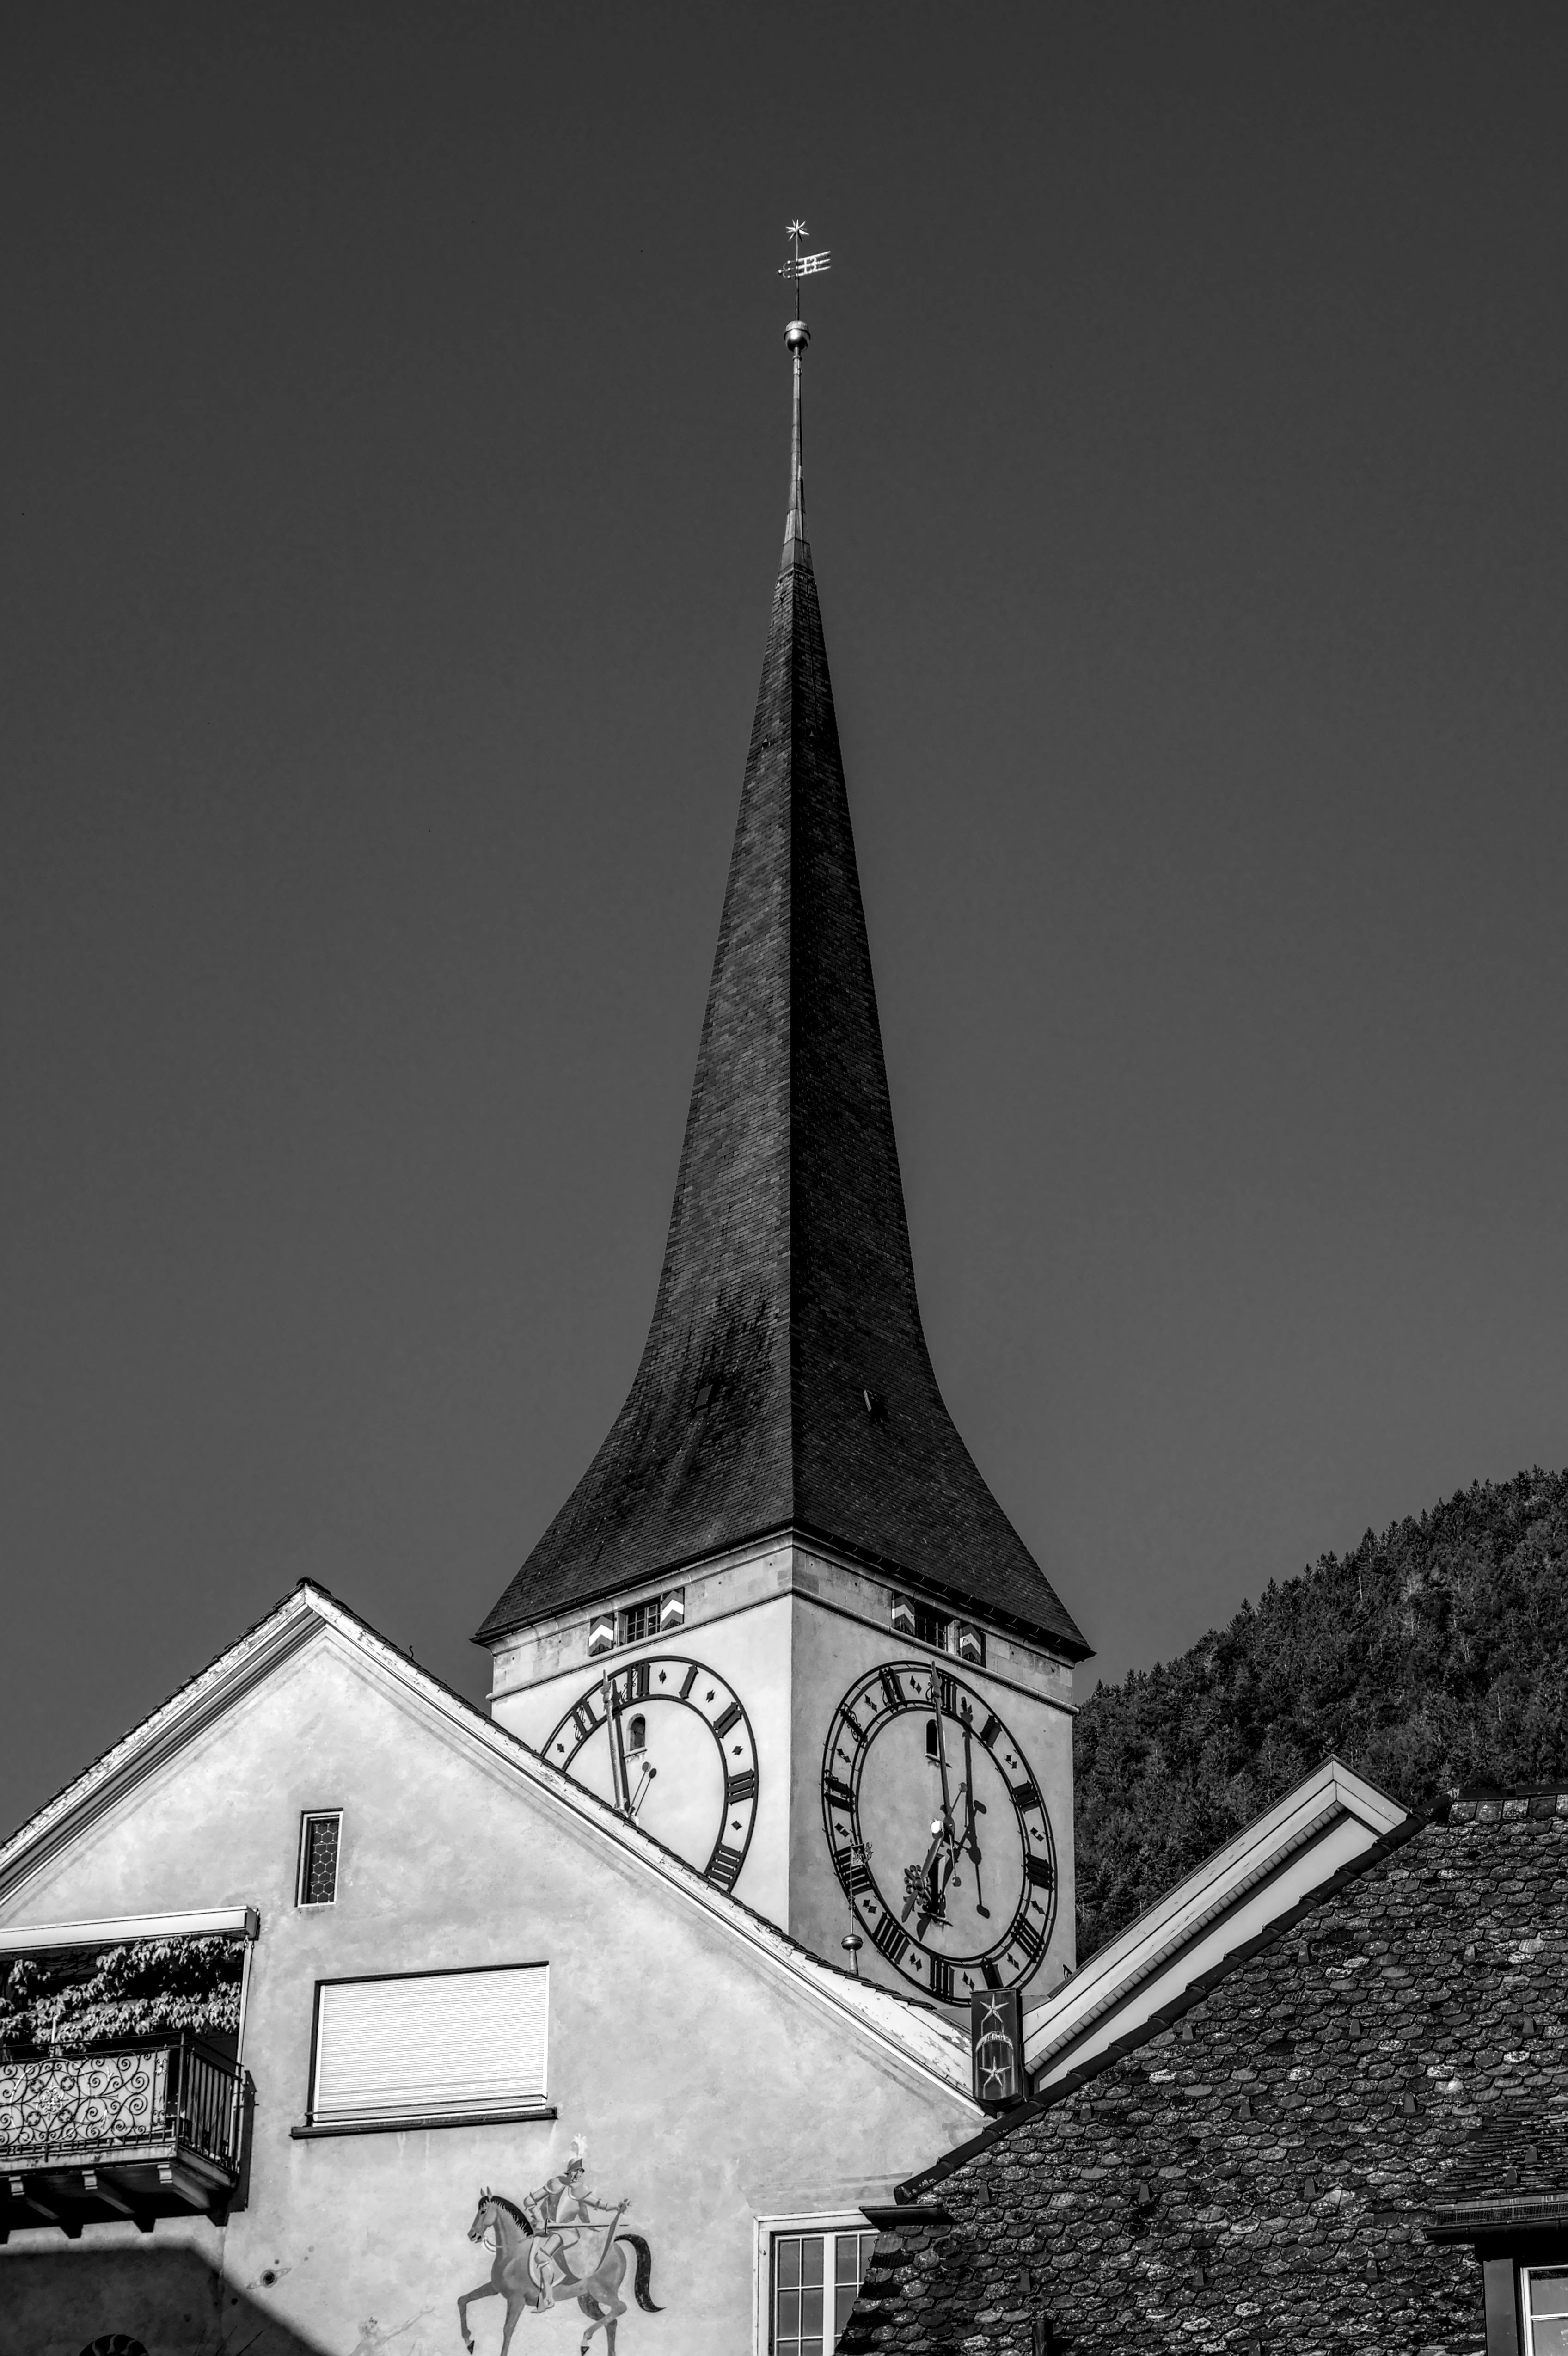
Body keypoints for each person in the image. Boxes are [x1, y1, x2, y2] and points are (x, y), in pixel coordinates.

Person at [521, 2139, 624, 2310]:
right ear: (568, 2172)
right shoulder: (555, 2184)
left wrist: (617, 2207)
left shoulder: (579, 2191)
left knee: (541, 2257)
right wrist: (539, 2217)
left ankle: (547, 2299)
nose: (578, 2175)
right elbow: (529, 2201)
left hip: (567, 2233)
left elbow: (599, 2204)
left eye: (580, 2172)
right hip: (547, 2229)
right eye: (575, 2171)